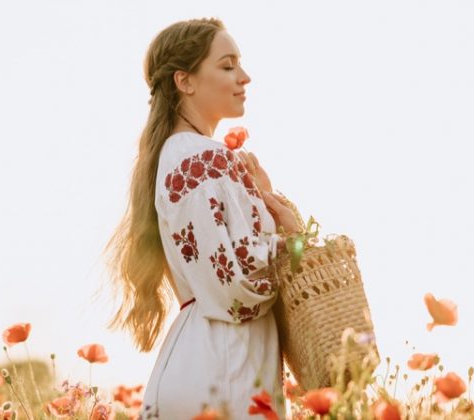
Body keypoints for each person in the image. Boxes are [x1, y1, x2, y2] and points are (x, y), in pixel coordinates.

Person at [103, 17, 304, 419]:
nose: (244, 76)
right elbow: (238, 289)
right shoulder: (203, 156)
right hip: (227, 367)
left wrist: (263, 200)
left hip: (205, 361)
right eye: (227, 65)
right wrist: (295, 239)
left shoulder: (179, 155)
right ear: (185, 81)